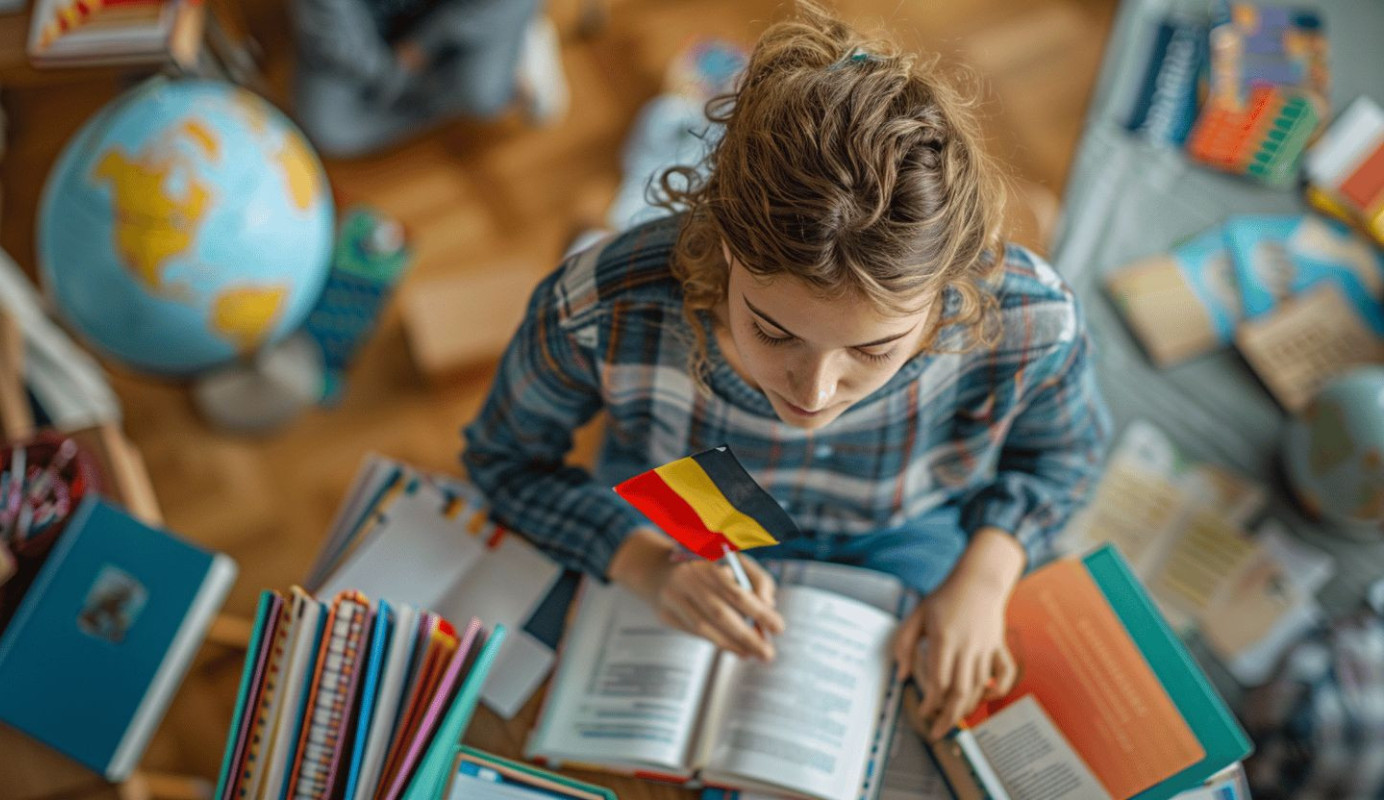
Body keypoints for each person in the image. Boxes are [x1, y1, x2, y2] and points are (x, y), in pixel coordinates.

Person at [462, 1, 1110, 739]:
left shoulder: (1032, 319)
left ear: (947, 292)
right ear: (723, 243)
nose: (813, 394)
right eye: (772, 331)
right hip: (684, 517)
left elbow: (1068, 453)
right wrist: (642, 564)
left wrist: (989, 575)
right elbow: (504, 459)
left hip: (906, 531)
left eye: (873, 350)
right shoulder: (600, 308)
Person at [291, 0, 569, 158]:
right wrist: (391, 71)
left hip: (456, 18)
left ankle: (520, 41)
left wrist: (425, 43)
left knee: (483, 96)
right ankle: (482, 74)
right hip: (364, 35)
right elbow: (334, 39)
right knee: (330, 130)